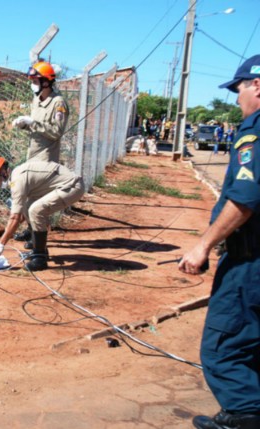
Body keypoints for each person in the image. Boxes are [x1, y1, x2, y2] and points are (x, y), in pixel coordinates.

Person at [179, 54, 260, 429]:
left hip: (250, 263)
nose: (237, 97)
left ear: (257, 85)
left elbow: (244, 198)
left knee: (223, 348)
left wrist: (203, 245)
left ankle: (244, 415)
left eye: (239, 88)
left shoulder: (253, 131)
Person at [0, 155, 84, 271]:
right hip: (65, 185)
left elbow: (15, 217)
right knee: (27, 206)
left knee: (35, 210)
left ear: (4, 173)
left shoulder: (17, 181)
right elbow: (20, 215)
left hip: (72, 186)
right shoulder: (17, 175)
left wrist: (1, 243)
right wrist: (10, 230)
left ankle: (40, 258)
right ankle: (39, 250)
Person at [11, 61, 69, 243]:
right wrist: (24, 125)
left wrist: (32, 123)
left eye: (35, 80)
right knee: (29, 195)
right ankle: (31, 229)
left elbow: (56, 132)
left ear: (46, 82)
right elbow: (36, 127)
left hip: (46, 157)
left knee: (38, 200)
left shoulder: (58, 103)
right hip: (32, 154)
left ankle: (38, 238)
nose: (32, 83)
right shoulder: (36, 100)